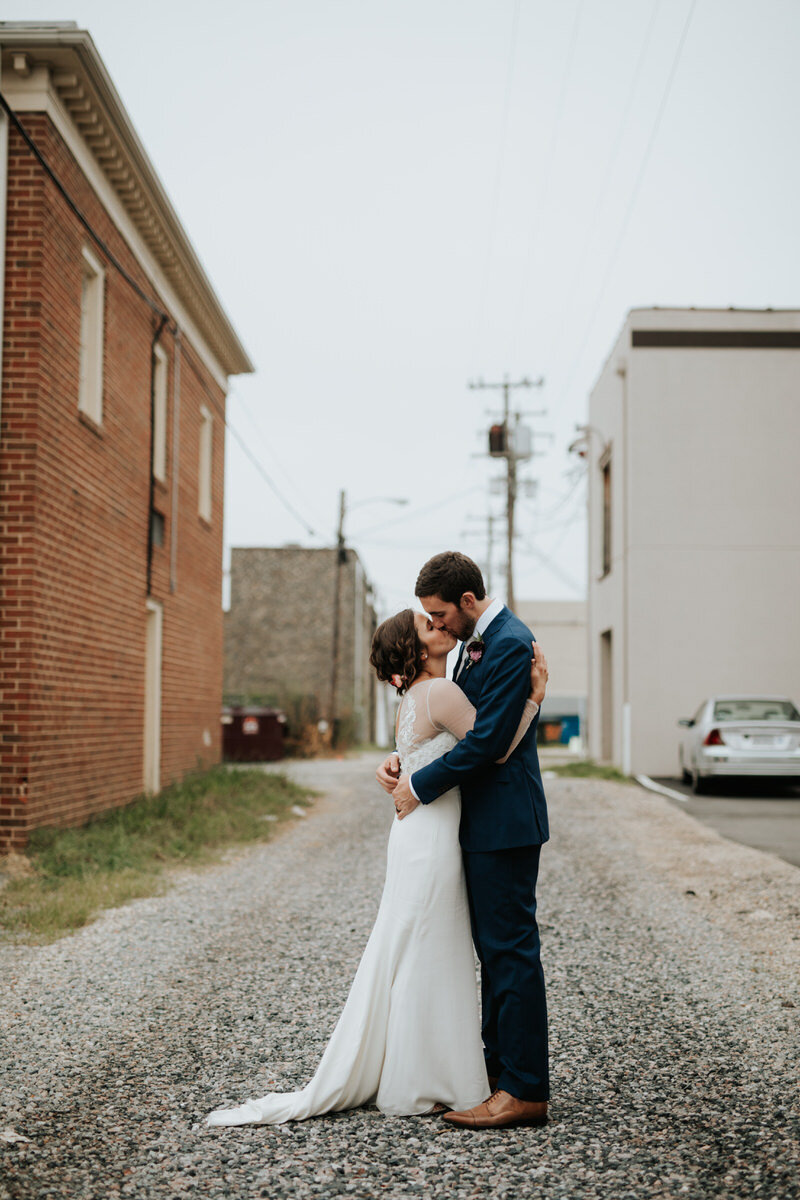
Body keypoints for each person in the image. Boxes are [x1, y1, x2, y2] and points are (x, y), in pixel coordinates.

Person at [206, 605, 547, 1127]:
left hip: (414, 834)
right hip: (431, 836)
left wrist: (394, 765)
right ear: (414, 651)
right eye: (425, 625)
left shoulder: (414, 697)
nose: (436, 626)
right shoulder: (441, 692)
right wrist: (534, 699)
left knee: (414, 947)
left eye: (435, 619)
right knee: (431, 949)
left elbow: (411, 752)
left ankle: (422, 1073)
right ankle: (428, 1078)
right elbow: (492, 748)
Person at [381, 551, 550, 1130]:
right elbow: (450, 733)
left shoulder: (507, 643)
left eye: (440, 613)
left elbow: (488, 746)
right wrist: (403, 762)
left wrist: (416, 787)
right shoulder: (480, 642)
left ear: (468, 602)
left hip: (504, 822)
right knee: (494, 951)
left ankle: (524, 1090)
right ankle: (499, 1076)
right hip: (482, 822)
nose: (439, 624)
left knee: (510, 951)